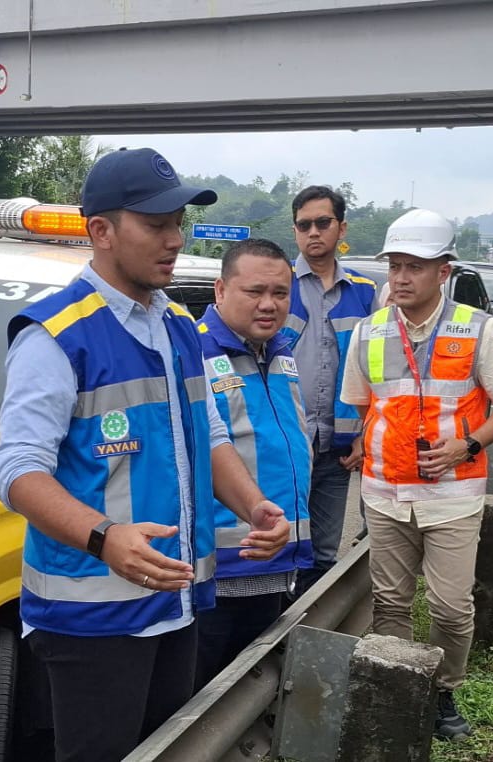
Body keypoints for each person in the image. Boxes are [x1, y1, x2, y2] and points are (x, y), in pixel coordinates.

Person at [0, 147, 291, 762]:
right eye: (155, 225)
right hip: (92, 620)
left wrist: (255, 506)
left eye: (178, 223)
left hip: (176, 605)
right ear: (101, 231)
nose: (174, 239)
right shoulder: (55, 336)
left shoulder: (179, 324)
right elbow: (16, 470)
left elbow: (207, 438)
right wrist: (105, 538)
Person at [339, 208, 493, 742]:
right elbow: (362, 406)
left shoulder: (479, 330)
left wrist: (464, 445)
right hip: (382, 493)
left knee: (451, 605)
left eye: (414, 267)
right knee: (391, 600)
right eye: (395, 266)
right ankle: (404, 686)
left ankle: (443, 686)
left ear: (442, 272)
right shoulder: (366, 333)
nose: (400, 277)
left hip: (453, 495)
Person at [193, 237, 312, 689]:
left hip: (278, 562)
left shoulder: (280, 351)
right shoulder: (195, 356)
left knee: (250, 694)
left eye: (280, 294)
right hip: (220, 575)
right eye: (254, 292)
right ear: (220, 291)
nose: (269, 305)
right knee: (200, 697)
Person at [282, 185, 377, 594]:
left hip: (337, 449)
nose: (313, 232)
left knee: (322, 553)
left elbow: (377, 372)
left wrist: (365, 436)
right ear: (295, 231)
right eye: (304, 225)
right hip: (286, 445)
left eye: (323, 223)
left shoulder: (364, 292)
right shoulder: (277, 286)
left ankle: (304, 641)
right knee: (280, 548)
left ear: (341, 228)